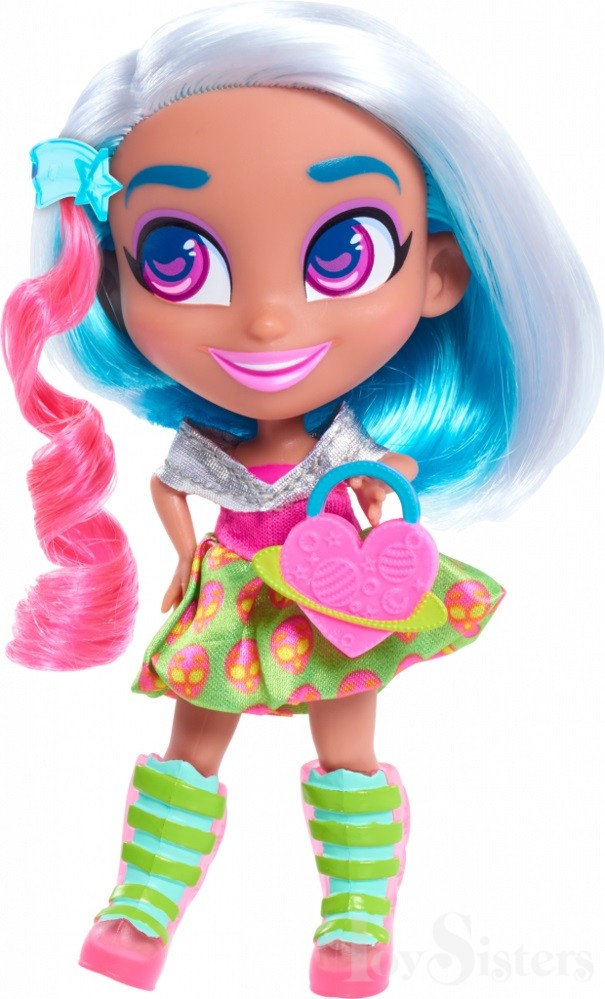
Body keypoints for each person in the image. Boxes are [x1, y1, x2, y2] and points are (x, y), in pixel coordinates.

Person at [2, 3, 601, 996]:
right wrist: (183, 560)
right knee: (193, 740)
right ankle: (141, 901)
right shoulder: (204, 447)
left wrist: (378, 501)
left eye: (341, 252)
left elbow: (382, 483)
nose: (268, 318)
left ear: (438, 274)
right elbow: (168, 487)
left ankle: (355, 915)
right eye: (180, 261)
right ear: (110, 284)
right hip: (231, 591)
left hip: (336, 599)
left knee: (347, 745)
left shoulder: (348, 447)